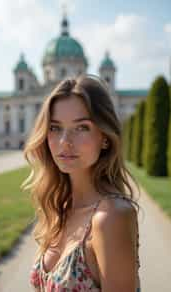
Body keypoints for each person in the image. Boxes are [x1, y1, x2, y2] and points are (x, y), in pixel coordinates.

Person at [22, 74, 141, 291]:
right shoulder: (61, 207)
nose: (64, 142)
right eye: (55, 127)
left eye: (81, 127)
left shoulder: (111, 217)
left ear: (105, 137)